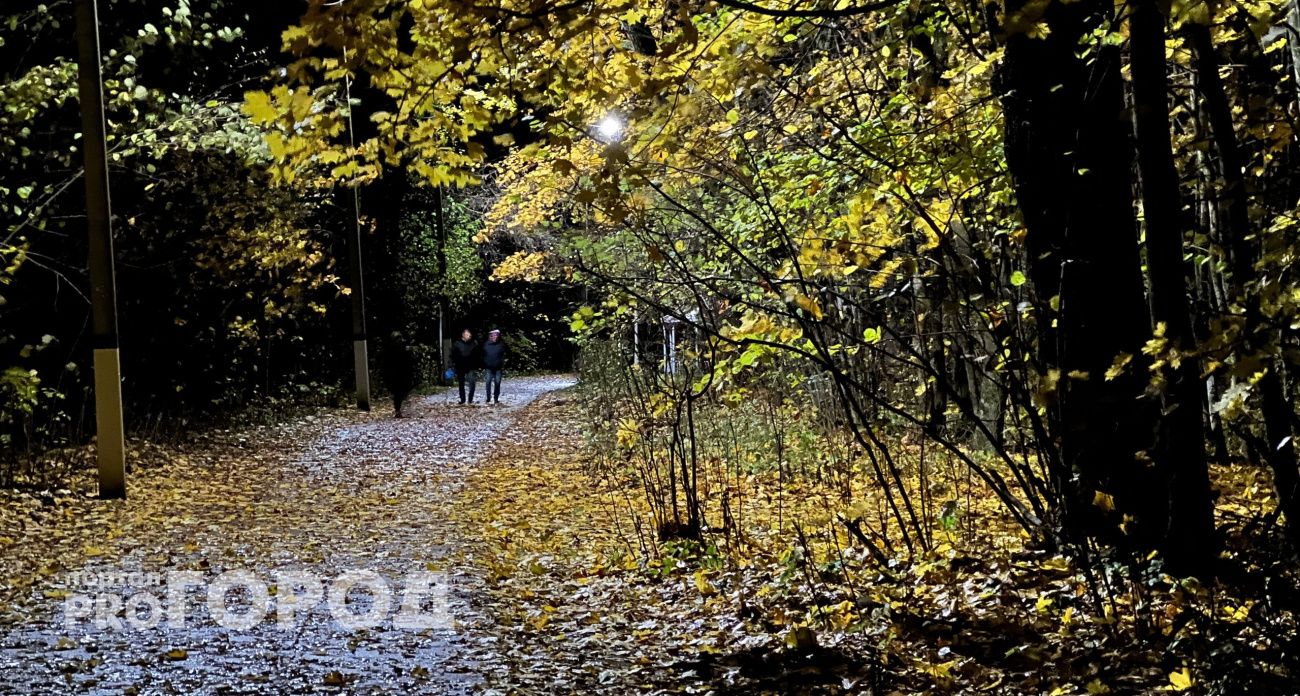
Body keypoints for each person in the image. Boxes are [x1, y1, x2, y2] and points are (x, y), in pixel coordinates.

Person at [383, 331, 417, 418]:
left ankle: (400, 408)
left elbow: (411, 360)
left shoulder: (403, 348)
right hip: (396, 374)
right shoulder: (390, 349)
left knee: (404, 391)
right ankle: (398, 409)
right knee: (398, 393)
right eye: (397, 339)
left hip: (404, 373)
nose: (399, 340)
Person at [450, 328, 480, 404]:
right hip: (460, 367)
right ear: (463, 335)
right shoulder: (457, 344)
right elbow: (452, 355)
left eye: (469, 335)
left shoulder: (473, 343)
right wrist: (451, 365)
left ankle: (470, 399)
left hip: (471, 367)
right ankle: (462, 399)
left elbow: (478, 354)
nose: (469, 336)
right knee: (461, 384)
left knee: (472, 383)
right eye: (467, 334)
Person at [481, 329, 507, 405]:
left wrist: (502, 362)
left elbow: (504, 354)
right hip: (488, 367)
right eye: (493, 335)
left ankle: (496, 398)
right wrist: (484, 362)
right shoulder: (486, 344)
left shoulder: (501, 344)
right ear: (490, 336)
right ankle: (488, 398)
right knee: (488, 382)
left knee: (497, 383)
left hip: (498, 368)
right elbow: (482, 354)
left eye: (496, 335)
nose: (495, 337)